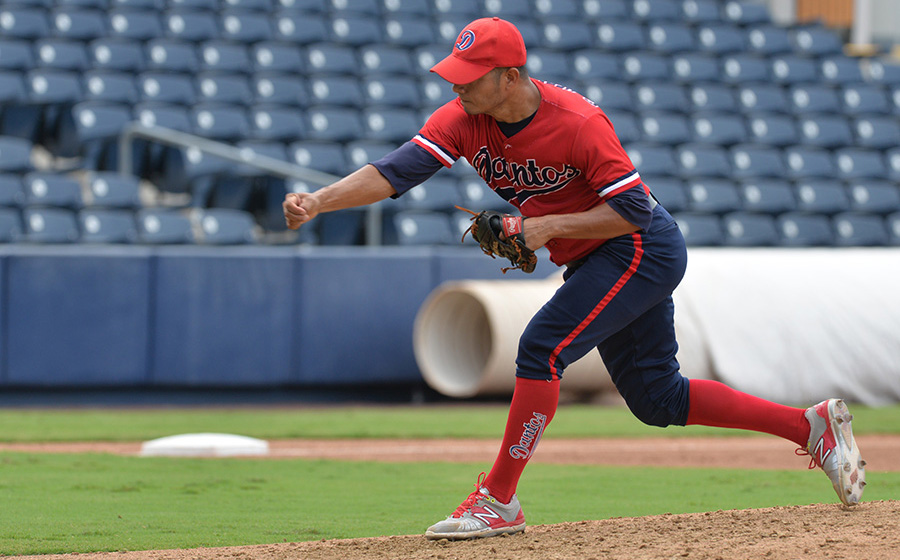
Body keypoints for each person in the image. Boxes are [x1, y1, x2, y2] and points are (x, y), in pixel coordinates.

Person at [283, 17, 866, 540]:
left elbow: (636, 209)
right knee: (658, 399)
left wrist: (544, 226)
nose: (456, 86)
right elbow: (395, 172)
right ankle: (808, 426)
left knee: (540, 348)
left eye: (470, 76)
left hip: (640, 248)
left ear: (509, 77)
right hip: (594, 259)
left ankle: (498, 501)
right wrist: (319, 202)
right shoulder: (463, 119)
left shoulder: (578, 122)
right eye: (454, 74)